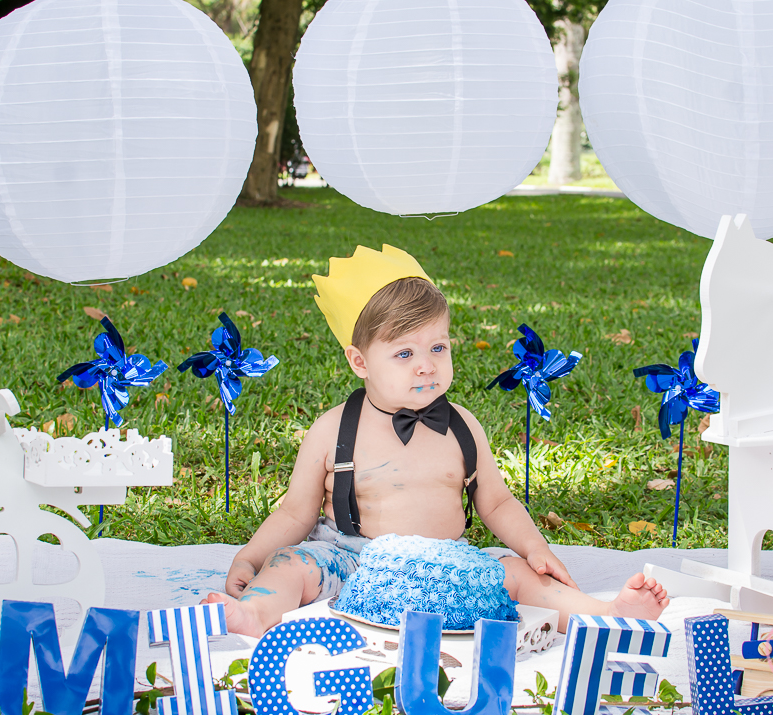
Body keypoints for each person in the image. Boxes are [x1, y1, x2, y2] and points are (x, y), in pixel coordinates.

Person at [206, 244, 669, 636]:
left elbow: (497, 502)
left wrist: (535, 549)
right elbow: (295, 512)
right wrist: (251, 556)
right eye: (404, 353)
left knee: (515, 573)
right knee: (293, 563)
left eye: (438, 347)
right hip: (354, 563)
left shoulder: (462, 426)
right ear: (360, 361)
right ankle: (254, 613)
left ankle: (604, 614)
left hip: (447, 568)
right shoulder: (333, 429)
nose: (426, 365)